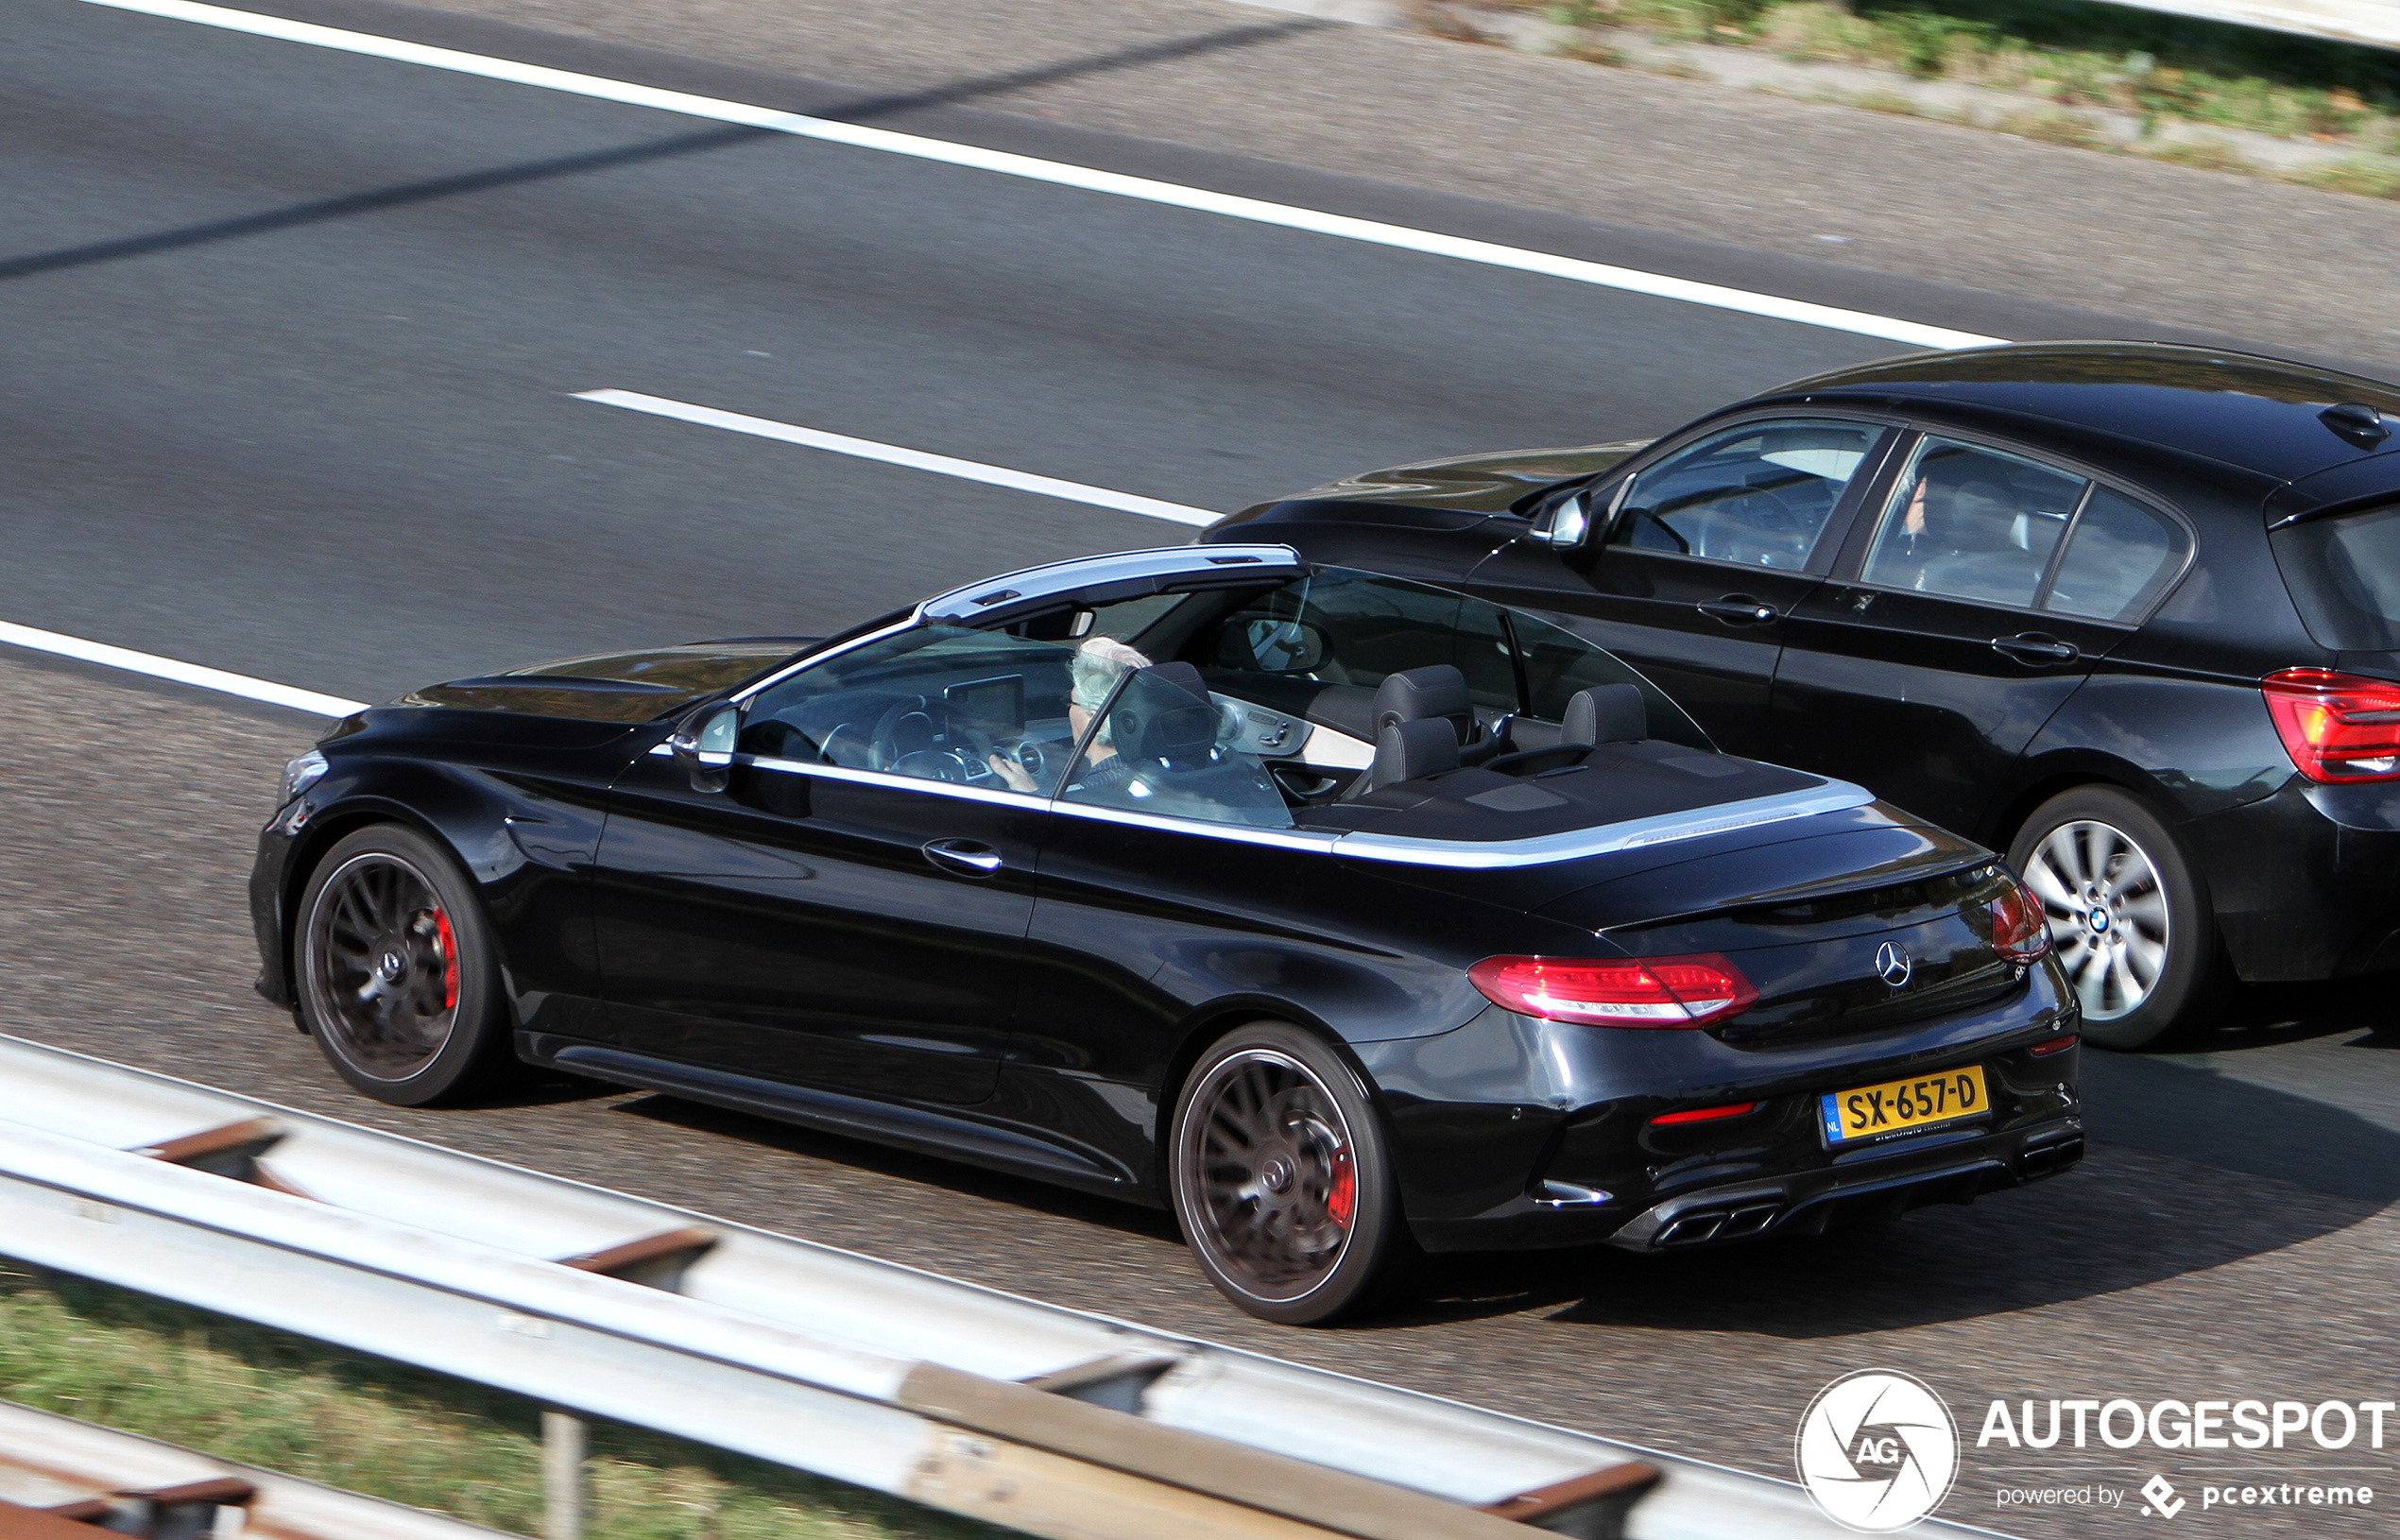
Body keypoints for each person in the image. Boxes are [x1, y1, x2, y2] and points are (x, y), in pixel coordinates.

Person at [986, 635, 1150, 793]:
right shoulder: (1152, 771)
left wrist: (1032, 794)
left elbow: (1074, 812)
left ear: (1094, 718)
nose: (1068, 710)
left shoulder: (1098, 794)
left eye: (1071, 701)